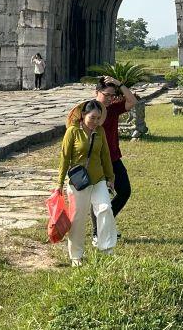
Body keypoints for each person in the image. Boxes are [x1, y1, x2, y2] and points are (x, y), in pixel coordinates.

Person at [54, 99, 116, 265]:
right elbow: (64, 158)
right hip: (78, 182)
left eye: (98, 118)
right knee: (78, 219)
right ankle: (76, 256)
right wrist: (59, 183)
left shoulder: (100, 131)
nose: (95, 122)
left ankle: (107, 250)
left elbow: (105, 155)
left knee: (105, 208)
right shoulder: (72, 132)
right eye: (92, 118)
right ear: (83, 115)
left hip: (98, 179)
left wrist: (111, 177)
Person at [92, 75, 136, 240]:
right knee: (99, 196)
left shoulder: (114, 108)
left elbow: (132, 101)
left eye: (112, 95)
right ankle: (97, 233)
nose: (110, 98)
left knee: (124, 191)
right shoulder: (89, 109)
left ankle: (107, 223)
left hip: (114, 157)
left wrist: (119, 84)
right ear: (97, 92)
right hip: (96, 160)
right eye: (106, 95)